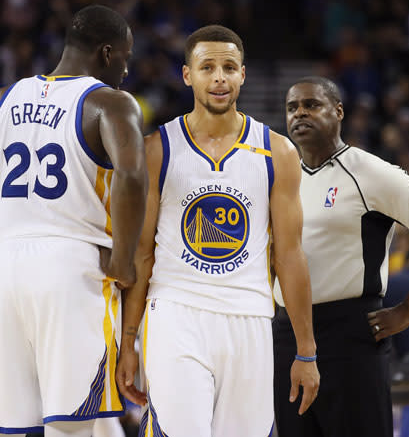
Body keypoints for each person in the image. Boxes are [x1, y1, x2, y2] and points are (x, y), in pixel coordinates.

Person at [0, 5, 148, 437]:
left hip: (7, 269)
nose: (127, 70)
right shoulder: (109, 102)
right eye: (126, 59)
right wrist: (124, 261)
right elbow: (132, 175)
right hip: (73, 268)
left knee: (7, 428)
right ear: (107, 52)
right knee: (77, 425)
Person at [116, 25, 319, 437]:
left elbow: (291, 256)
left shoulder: (278, 152)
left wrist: (306, 350)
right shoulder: (157, 148)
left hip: (251, 317)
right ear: (188, 75)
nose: (219, 78)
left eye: (229, 67)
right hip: (176, 313)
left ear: (243, 74)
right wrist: (128, 341)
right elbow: (142, 253)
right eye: (207, 67)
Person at [272, 76, 409, 437]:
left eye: (311, 105)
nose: (299, 113)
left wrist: (408, 310)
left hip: (350, 333)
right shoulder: (281, 178)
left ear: (339, 111)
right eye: (292, 107)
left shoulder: (372, 172)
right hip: (287, 334)